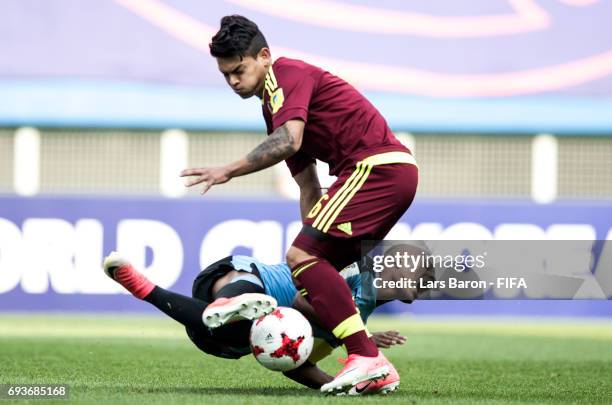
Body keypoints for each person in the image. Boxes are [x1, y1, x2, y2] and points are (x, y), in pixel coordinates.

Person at [180, 15, 419, 394]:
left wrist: (228, 170)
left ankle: (366, 355)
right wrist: (309, 249)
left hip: (377, 168)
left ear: (264, 56)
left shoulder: (286, 75)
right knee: (305, 277)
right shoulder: (273, 107)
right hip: (383, 175)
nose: (233, 81)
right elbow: (308, 184)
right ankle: (364, 357)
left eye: (239, 70)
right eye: (226, 75)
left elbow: (289, 142)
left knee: (302, 259)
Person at [102, 251, 412, 394]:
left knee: (229, 326)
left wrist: (338, 384)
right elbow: (304, 301)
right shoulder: (356, 268)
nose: (419, 284)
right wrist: (357, 336)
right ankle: (227, 300)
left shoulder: (357, 320)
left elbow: (297, 363)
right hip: (237, 278)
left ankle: (148, 289)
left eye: (424, 283)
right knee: (249, 293)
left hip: (227, 337)